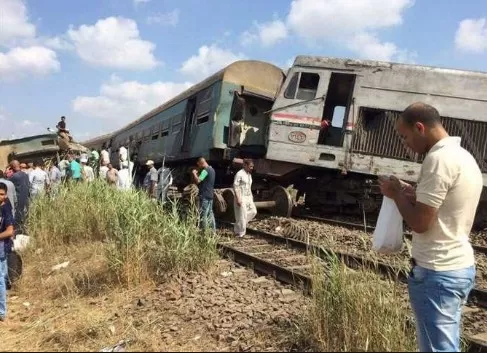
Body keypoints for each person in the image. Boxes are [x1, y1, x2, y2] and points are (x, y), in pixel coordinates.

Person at [378, 102, 483, 352]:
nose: (406, 145)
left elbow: (420, 223)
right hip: (457, 266)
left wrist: (396, 195)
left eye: (405, 137)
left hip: (438, 272)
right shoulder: (463, 156)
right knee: (445, 344)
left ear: (420, 127)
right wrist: (411, 193)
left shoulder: (438, 159)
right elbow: (445, 204)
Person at [0, 182, 15, 322]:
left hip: (2, 246)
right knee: (2, 277)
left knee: (0, 280)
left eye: (2, 194)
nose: (0, 197)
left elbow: (10, 231)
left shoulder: (5, 209)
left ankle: (2, 312)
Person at [233, 159, 257, 237]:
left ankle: (238, 226)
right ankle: (241, 234)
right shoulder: (239, 174)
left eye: (252, 166)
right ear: (245, 165)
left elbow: (249, 187)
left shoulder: (249, 175)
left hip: (248, 197)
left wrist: (251, 197)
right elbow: (236, 186)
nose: (252, 168)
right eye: (250, 166)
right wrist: (238, 198)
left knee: (253, 211)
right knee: (242, 215)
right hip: (241, 196)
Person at [192, 157, 216, 232]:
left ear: (201, 163)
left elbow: (198, 181)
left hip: (204, 195)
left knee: (203, 214)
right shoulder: (212, 170)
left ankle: (204, 231)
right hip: (210, 195)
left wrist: (194, 173)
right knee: (210, 213)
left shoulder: (205, 171)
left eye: (199, 165)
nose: (198, 167)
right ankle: (213, 230)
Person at [8, 160, 29, 233]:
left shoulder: (13, 177)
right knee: (25, 216)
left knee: (18, 217)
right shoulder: (26, 175)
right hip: (26, 198)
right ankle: (25, 231)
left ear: (12, 168)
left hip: (18, 199)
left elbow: (6, 183)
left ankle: (18, 232)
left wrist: (6, 172)